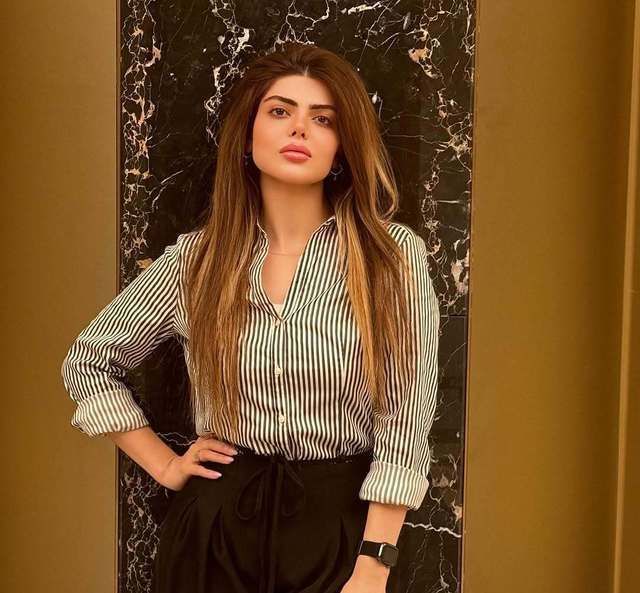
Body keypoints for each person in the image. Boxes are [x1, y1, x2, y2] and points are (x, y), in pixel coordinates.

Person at [60, 41, 440, 593]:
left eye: (323, 119)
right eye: (280, 111)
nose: (299, 129)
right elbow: (89, 362)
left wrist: (373, 564)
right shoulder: (197, 261)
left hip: (341, 531)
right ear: (247, 133)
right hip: (215, 529)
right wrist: (165, 466)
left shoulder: (390, 256)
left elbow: (406, 417)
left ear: (342, 146)